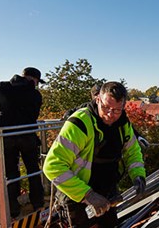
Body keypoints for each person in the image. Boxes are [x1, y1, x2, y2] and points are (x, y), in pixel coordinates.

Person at [43, 81, 146, 227]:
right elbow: (52, 166)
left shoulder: (123, 124)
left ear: (123, 107)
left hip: (107, 191)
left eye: (117, 110)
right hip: (77, 195)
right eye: (105, 107)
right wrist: (87, 195)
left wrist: (138, 174)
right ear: (97, 99)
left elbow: (133, 151)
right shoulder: (79, 124)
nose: (110, 114)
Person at [0, 67, 46, 218]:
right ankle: (37, 202)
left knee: (11, 173)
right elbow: (33, 114)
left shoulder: (3, 87)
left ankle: (13, 208)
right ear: (33, 79)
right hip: (27, 136)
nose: (37, 85)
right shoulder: (35, 95)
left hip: (7, 136)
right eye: (37, 82)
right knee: (33, 170)